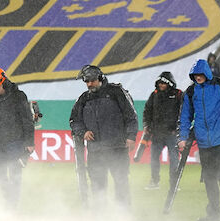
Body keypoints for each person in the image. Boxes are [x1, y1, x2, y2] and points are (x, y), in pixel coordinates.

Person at [178, 59, 220, 221]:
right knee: (209, 179)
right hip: (203, 143)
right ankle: (214, 214)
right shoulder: (191, 92)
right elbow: (185, 116)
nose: (197, 77)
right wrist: (183, 138)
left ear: (206, 72)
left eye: (200, 74)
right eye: (195, 75)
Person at [69, 65, 138, 211]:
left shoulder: (116, 92)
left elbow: (131, 116)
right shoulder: (84, 98)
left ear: (100, 78)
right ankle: (100, 214)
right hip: (95, 150)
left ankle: (123, 213)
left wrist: (131, 137)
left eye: (92, 81)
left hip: (117, 148)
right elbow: (74, 121)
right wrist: (83, 132)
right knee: (97, 184)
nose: (89, 84)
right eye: (86, 81)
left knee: (121, 181)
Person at [0, 67, 35, 211]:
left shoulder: (18, 96)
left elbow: (27, 119)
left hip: (16, 143)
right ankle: (9, 199)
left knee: (15, 175)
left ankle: (12, 208)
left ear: (3, 81)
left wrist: (29, 142)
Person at [142, 72, 183, 192]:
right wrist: (146, 125)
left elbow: (184, 112)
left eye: (163, 83)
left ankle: (174, 184)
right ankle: (154, 181)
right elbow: (147, 111)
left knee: (174, 159)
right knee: (154, 158)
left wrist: (179, 128)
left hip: (172, 134)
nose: (161, 85)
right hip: (157, 134)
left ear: (169, 83)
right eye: (159, 83)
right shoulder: (154, 95)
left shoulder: (178, 95)